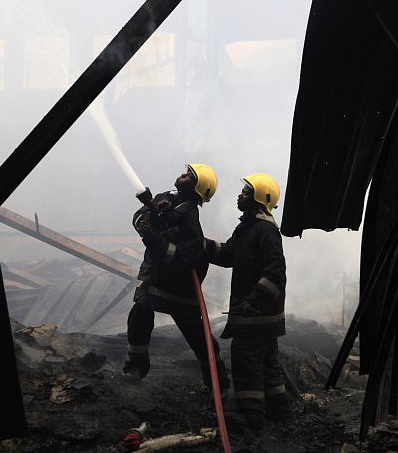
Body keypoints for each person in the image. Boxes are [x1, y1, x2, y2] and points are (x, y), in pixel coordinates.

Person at [124, 164, 230, 396]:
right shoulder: (165, 198)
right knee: (139, 315)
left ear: (196, 189)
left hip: (180, 287)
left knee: (197, 336)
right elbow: (138, 217)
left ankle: (217, 380)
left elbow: (182, 259)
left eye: (188, 176)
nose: (182, 175)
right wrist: (149, 216)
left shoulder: (191, 220)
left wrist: (154, 237)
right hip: (154, 278)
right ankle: (136, 368)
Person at [206, 173, 291, 430]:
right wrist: (202, 246)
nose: (240, 195)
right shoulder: (248, 228)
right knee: (267, 360)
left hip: (257, 314)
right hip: (260, 314)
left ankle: (251, 415)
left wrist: (253, 301)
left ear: (258, 199)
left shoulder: (265, 231)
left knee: (246, 359)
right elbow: (229, 255)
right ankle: (279, 410)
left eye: (245, 192)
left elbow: (275, 272)